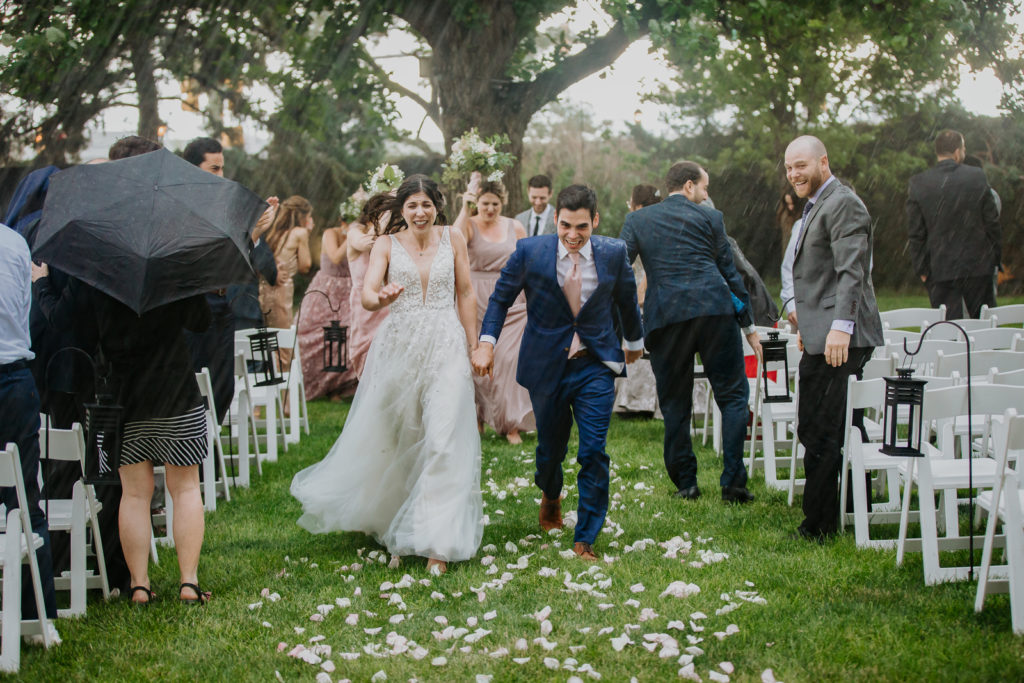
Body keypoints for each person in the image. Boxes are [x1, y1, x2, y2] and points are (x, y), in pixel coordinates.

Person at [291, 175, 482, 575]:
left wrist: (475, 344)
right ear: (401, 210)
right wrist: (382, 298)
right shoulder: (385, 244)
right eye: (411, 205)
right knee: (404, 439)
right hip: (400, 347)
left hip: (446, 345)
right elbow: (367, 294)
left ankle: (437, 542)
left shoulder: (454, 239)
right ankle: (398, 525)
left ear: (437, 206)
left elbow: (465, 293)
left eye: (426, 204)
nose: (419, 212)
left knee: (444, 438)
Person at [472, 184, 644, 562]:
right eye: (565, 225)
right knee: (550, 452)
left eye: (582, 227)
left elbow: (627, 301)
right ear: (555, 219)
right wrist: (486, 341)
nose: (572, 235)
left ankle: (586, 537)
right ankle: (551, 494)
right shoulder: (530, 252)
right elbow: (500, 298)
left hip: (594, 365)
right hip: (546, 365)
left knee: (594, 449)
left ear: (595, 221)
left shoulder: (614, 253)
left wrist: (633, 343)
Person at [89, 135, 216, 604]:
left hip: (122, 391)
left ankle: (139, 587)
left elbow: (90, 321)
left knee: (134, 493)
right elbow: (200, 321)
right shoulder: (174, 238)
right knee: (185, 488)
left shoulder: (101, 239)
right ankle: (187, 582)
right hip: (173, 386)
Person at [620, 162, 761, 504]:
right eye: (704, 187)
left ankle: (687, 483)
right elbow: (730, 274)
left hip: (667, 317)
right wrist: (749, 326)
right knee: (732, 396)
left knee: (674, 403)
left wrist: (626, 324)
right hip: (715, 312)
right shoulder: (711, 219)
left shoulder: (638, 220)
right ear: (687, 186)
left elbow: (620, 268)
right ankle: (733, 484)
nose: (706, 194)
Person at [784, 135, 883, 542]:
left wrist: (840, 328)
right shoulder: (816, 206)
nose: (794, 174)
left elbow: (851, 272)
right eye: (789, 168)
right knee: (842, 424)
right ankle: (854, 506)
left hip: (842, 336)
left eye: (801, 165)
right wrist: (808, 327)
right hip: (822, 333)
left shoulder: (842, 202)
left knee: (820, 428)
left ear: (823, 161)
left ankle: (819, 525)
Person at [0, 220, 60, 644]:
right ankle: (37, 616)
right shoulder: (14, 242)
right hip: (15, 378)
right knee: (23, 496)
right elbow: (23, 310)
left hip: (14, 374)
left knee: (22, 496)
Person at [453, 178, 535, 444]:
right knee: (475, 359)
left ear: (503, 202)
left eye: (495, 204)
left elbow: (529, 262)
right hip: (476, 298)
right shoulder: (468, 225)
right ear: (478, 202)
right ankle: (478, 418)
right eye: (484, 203)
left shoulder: (516, 226)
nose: (489, 209)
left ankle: (510, 424)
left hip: (511, 298)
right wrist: (465, 209)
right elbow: (451, 243)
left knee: (508, 360)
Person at [907, 129, 1001, 319]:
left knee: (948, 331)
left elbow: (916, 234)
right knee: (985, 328)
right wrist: (994, 260)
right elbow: (992, 224)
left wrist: (923, 271)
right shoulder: (976, 177)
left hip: (939, 269)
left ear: (937, 151)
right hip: (978, 268)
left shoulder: (919, 183)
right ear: (958, 151)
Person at [180, 137, 236, 423]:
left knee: (224, 386)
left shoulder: (220, 206)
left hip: (222, 301)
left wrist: (254, 235)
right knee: (200, 383)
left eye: (222, 168)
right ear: (193, 169)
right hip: (195, 303)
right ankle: (198, 454)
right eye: (213, 169)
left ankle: (207, 449)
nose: (221, 176)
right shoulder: (182, 208)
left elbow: (229, 260)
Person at [614, 184, 661, 415]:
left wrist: (641, 293)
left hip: (646, 287)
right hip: (637, 286)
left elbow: (650, 263)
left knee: (642, 340)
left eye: (630, 202)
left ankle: (642, 402)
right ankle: (636, 400)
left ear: (639, 206)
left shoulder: (643, 226)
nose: (628, 207)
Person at [297, 219, 357, 400]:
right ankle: (316, 383)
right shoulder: (330, 233)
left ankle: (340, 387)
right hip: (326, 290)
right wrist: (351, 236)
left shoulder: (363, 235)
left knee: (349, 334)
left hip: (349, 291)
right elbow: (336, 257)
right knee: (314, 333)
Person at [346, 194, 391, 378]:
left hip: (389, 302)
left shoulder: (391, 237)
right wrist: (387, 215)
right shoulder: (355, 232)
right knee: (364, 353)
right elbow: (366, 243)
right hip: (364, 304)